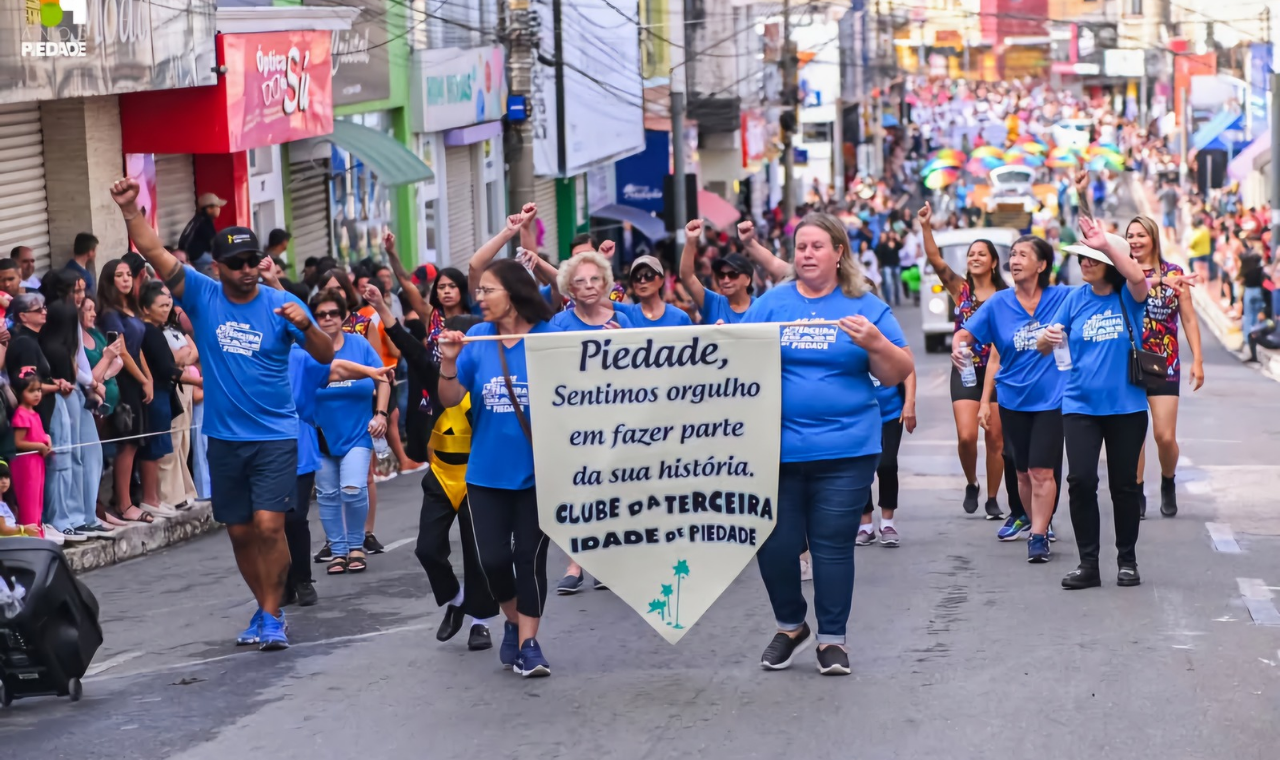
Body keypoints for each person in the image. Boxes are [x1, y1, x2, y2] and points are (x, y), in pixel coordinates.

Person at [111, 177, 334, 652]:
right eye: (238, 264)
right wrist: (132, 210)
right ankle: (262, 603)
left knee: (271, 526)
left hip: (275, 435)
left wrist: (306, 325)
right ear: (218, 267)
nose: (249, 270)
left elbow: (324, 354)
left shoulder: (283, 304)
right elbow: (154, 251)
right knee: (238, 533)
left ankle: (274, 615)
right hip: (225, 438)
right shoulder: (202, 294)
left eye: (254, 261)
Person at [742, 213, 914, 676]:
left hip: (847, 450)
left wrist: (876, 343)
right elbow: (727, 358)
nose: (807, 255)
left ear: (839, 253)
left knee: (831, 547)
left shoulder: (864, 304)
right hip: (777, 451)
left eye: (817, 246)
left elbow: (897, 371)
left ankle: (832, 640)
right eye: (800, 247)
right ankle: (791, 626)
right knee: (775, 546)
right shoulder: (771, 304)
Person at [436, 258, 559, 677]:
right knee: (491, 561)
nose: (479, 297)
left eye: (488, 290)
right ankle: (511, 619)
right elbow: (450, 399)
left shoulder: (551, 337)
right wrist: (449, 362)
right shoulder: (476, 338)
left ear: (513, 292)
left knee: (529, 559)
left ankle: (529, 644)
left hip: (540, 475)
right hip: (485, 474)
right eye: (480, 290)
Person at [362, 285, 498, 650]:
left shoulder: (493, 380)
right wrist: (379, 306)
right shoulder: (436, 374)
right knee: (427, 549)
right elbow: (407, 346)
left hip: (477, 477)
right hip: (440, 476)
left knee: (478, 553)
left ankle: (481, 621)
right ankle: (455, 599)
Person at [1038, 219, 1150, 589]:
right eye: (1082, 258)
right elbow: (1044, 345)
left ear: (1110, 262)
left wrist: (1108, 245)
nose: (1085, 263)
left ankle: (1127, 560)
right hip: (1080, 405)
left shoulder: (1130, 296)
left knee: (1124, 486)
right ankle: (1089, 564)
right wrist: (1048, 336)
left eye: (1093, 258)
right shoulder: (1073, 299)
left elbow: (1136, 276)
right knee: (1080, 480)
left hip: (1126, 407)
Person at [953, 235, 1070, 561]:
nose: (1015, 260)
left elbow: (1106, 286)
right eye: (1013, 255)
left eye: (1023, 255)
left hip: (1052, 399)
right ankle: (1036, 520)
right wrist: (957, 345)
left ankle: (1038, 535)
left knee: (1041, 471)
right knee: (1021, 473)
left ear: (1042, 264)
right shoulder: (998, 303)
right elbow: (966, 333)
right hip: (1012, 400)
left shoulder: (1062, 297)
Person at [918, 201, 1011, 519]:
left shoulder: (1006, 296)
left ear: (994, 262)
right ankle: (972, 481)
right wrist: (926, 225)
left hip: (998, 372)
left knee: (995, 437)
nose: (974, 258)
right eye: (971, 254)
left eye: (981, 254)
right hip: (966, 372)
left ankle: (993, 497)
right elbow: (934, 258)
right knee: (967, 436)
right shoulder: (960, 290)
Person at [1128, 216, 1203, 518]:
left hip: (1164, 362)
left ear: (1153, 238)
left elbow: (1188, 317)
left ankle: (1168, 481)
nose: (1134, 241)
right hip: (1127, 362)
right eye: (1130, 236)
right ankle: (1136, 490)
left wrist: (1197, 359)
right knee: (1133, 434)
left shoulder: (1175, 273)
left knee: (1164, 436)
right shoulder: (1124, 274)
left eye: (1141, 235)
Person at [310, 289, 388, 576]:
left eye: (333, 313)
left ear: (344, 315)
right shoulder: (305, 349)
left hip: (357, 432)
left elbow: (383, 379)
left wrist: (380, 414)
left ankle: (356, 545)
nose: (328, 318)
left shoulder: (360, 345)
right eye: (321, 314)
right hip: (320, 436)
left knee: (353, 488)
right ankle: (339, 551)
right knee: (328, 494)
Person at [98, 258, 156, 524]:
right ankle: (123, 503)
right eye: (119, 275)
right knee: (128, 442)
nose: (125, 279)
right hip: (123, 380)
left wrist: (149, 377)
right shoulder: (110, 312)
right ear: (109, 281)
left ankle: (127, 500)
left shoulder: (130, 308)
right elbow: (121, 349)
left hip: (137, 378)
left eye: (128, 274)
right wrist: (142, 379)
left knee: (136, 441)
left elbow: (138, 347)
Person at [137, 283, 200, 513]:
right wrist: (198, 381)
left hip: (168, 391)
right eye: (161, 306)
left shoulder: (162, 328)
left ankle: (176, 494)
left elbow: (189, 352)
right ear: (145, 308)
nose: (166, 310)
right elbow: (166, 367)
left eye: (168, 305)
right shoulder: (150, 332)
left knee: (177, 443)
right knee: (162, 447)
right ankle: (161, 497)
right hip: (159, 394)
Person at [856, 363, 917, 547]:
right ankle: (865, 526)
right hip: (859, 414)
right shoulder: (847, 337)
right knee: (861, 466)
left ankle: (887, 523)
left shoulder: (888, 335)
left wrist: (909, 404)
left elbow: (907, 369)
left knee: (887, 464)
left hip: (891, 412)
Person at [79, 296, 126, 530]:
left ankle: (100, 508)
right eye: (88, 309)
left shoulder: (96, 334)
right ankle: (94, 510)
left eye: (93, 308)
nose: (93, 313)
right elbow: (90, 379)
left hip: (108, 407)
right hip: (92, 409)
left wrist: (108, 369)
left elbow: (113, 367)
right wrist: (107, 362)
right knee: (92, 460)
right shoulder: (77, 341)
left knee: (102, 460)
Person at [679, 219, 756, 324]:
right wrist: (691, 241)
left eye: (732, 275)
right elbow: (687, 277)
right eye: (721, 275)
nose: (726, 280)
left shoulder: (760, 307)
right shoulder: (713, 303)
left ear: (747, 280)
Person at [10, 371, 51, 533]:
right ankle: (30, 535)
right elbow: (18, 442)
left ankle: (38, 533)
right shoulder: (21, 414)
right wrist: (39, 446)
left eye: (39, 390)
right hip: (26, 465)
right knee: (29, 502)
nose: (37, 394)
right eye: (32, 391)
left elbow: (40, 435)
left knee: (38, 500)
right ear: (21, 393)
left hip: (37, 462)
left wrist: (47, 439)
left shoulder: (35, 413)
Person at [615, 256, 693, 327]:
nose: (642, 281)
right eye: (637, 277)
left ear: (661, 280)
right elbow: (604, 301)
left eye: (649, 275)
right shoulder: (625, 314)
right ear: (633, 285)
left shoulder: (681, 317)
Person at [177, 192, 227, 269]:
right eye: (218, 207)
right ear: (209, 209)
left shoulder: (197, 219)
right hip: (196, 256)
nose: (219, 209)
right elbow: (213, 244)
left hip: (188, 254)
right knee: (222, 262)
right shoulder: (205, 222)